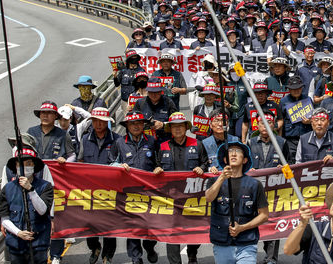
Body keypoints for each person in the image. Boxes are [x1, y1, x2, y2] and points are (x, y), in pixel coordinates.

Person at [155, 112, 207, 264]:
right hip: (170, 197)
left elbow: (205, 163)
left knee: (194, 229)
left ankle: (192, 254)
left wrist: (201, 168)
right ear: (169, 129)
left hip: (192, 196)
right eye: (174, 126)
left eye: (180, 126)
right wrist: (157, 169)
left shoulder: (197, 144)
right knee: (171, 232)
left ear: (186, 127)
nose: (177, 129)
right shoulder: (163, 146)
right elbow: (157, 165)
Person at [205, 142, 269, 263]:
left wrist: (242, 227)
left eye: (238, 151)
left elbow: (264, 215)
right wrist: (221, 178)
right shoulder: (213, 181)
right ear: (225, 159)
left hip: (247, 243)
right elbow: (208, 198)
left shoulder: (255, 184)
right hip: (222, 242)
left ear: (245, 160)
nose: (234, 153)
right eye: (230, 151)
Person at [27, 101, 73, 264]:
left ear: (56, 116)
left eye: (49, 113)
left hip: (56, 181)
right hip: (34, 182)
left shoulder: (62, 134)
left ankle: (55, 254)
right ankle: (37, 251)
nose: (45, 116)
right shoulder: (30, 133)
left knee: (56, 216)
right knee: (35, 214)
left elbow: (71, 154)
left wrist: (64, 160)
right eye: (42, 113)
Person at [111, 111, 159, 264]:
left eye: (139, 123)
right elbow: (110, 163)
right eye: (132, 123)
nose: (136, 126)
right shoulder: (119, 143)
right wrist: (119, 165)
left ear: (143, 125)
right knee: (132, 227)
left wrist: (158, 169)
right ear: (127, 126)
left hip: (149, 192)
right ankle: (135, 257)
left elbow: (159, 163)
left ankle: (150, 247)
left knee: (150, 227)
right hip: (128, 193)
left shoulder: (151, 140)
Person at [0, 145, 54, 264]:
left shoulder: (45, 187)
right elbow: (4, 218)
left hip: (39, 242)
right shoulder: (7, 189)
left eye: (28, 163)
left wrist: (31, 190)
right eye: (20, 164)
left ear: (34, 165)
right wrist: (18, 233)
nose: (24, 167)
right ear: (16, 167)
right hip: (16, 244)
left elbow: (43, 210)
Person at [77, 108, 119, 264]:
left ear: (107, 122)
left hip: (111, 191)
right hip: (90, 191)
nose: (98, 124)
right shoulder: (85, 139)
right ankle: (94, 247)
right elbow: (80, 162)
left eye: (101, 121)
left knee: (110, 225)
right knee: (90, 223)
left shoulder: (117, 139)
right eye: (95, 121)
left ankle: (108, 255)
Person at [247, 114, 288, 264]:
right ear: (257, 126)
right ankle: (248, 256)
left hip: (274, 192)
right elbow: (244, 164)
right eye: (261, 123)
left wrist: (283, 168)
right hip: (253, 191)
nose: (265, 126)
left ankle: (271, 258)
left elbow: (290, 165)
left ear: (274, 125)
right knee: (252, 223)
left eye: (269, 122)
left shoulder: (282, 142)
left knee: (273, 224)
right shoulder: (250, 143)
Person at [279, 75, 313, 162]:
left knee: (307, 161)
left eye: (299, 88)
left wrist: (309, 122)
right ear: (289, 89)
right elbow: (280, 120)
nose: (296, 90)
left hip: (306, 137)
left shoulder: (308, 99)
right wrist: (280, 139)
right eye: (293, 89)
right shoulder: (283, 101)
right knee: (291, 160)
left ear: (302, 88)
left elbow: (315, 119)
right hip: (290, 138)